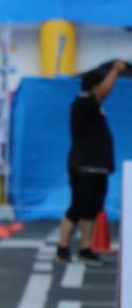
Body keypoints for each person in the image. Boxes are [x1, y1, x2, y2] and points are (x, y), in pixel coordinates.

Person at [57, 60, 123, 264]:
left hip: (98, 167)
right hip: (84, 166)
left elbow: (102, 93)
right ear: (94, 86)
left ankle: (85, 248)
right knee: (78, 207)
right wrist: (115, 70)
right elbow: (104, 91)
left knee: (93, 209)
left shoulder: (93, 106)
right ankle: (62, 247)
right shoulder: (83, 102)